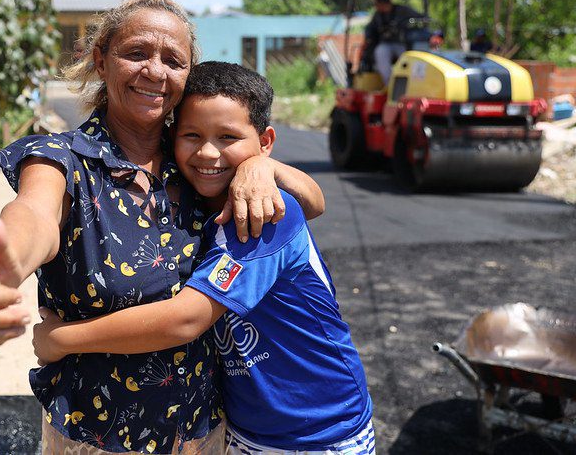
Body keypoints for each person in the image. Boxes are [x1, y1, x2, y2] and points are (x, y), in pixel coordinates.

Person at [0, 0, 325, 454]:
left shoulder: (197, 160)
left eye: (173, 60)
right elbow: (35, 216)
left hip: (204, 433)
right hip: (96, 439)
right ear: (101, 59)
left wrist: (261, 167)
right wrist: (4, 264)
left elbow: (310, 202)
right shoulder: (62, 160)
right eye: (136, 53)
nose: (154, 70)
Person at [33, 62, 374, 455]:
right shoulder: (193, 207)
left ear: (265, 141)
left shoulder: (266, 215)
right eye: (191, 135)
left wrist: (61, 340)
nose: (209, 152)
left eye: (228, 137)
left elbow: (187, 318)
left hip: (320, 432)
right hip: (245, 429)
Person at [365, 0, 424, 85]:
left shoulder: (403, 11)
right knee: (380, 53)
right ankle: (390, 84)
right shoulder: (378, 15)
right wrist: (368, 37)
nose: (375, 6)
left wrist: (408, 27)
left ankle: (412, 83)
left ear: (382, 2)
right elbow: (370, 28)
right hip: (385, 44)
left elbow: (421, 18)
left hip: (403, 44)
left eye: (376, 4)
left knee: (408, 58)